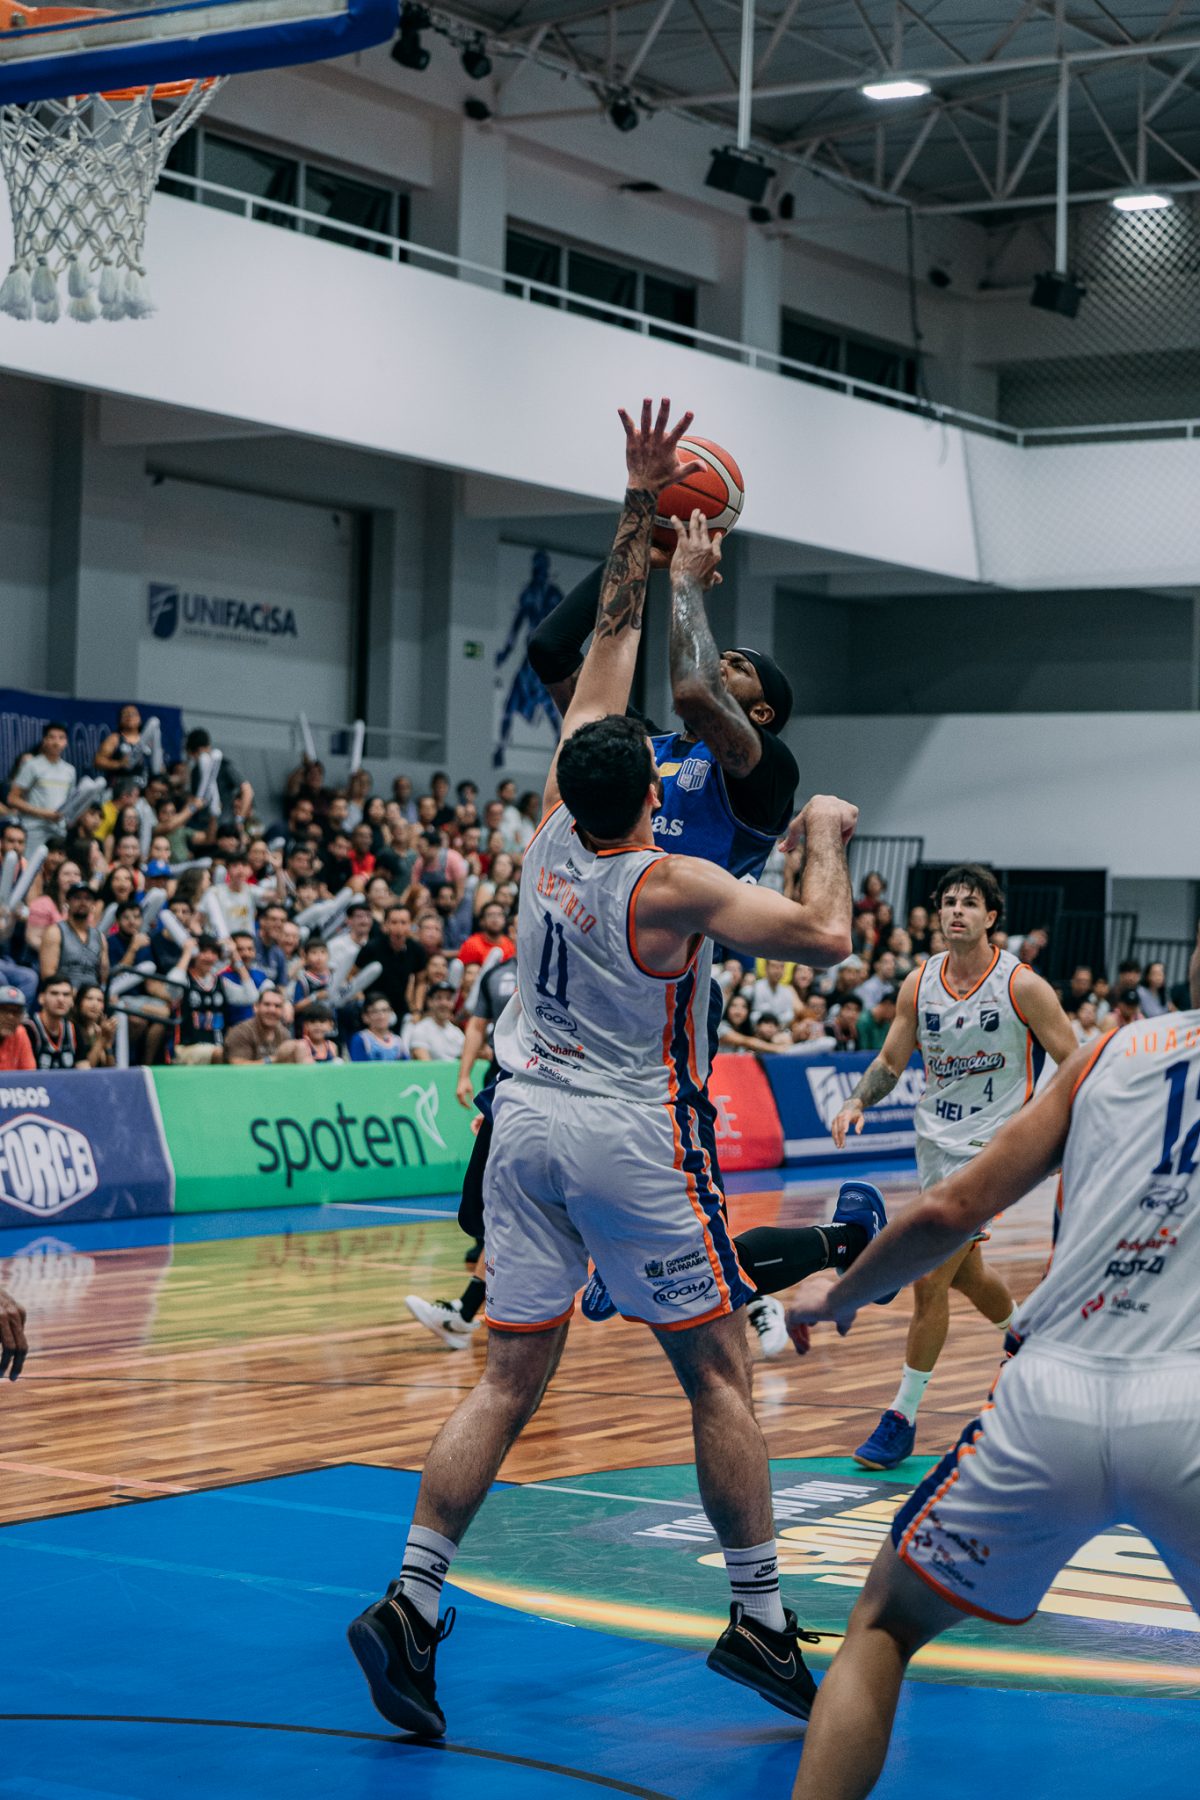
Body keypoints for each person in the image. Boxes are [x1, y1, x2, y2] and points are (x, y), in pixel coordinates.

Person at [346, 406, 857, 1739]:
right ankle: (759, 1618)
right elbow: (824, 935)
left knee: (507, 1379)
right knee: (718, 1373)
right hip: (632, 1123)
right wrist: (827, 836)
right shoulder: (671, 871)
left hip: (526, 1118)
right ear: (640, 783)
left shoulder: (575, 819)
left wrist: (640, 515)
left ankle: (410, 1599)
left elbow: (623, 671)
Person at [787, 936, 1200, 1800]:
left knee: (883, 1625)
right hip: (1189, 1402)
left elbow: (952, 1207)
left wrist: (840, 1295)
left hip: (1050, 1396)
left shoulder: (1106, 1054)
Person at [830, 865, 1078, 1470]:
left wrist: (1052, 1139)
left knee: (930, 1274)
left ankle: (901, 1417)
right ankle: (1029, 1340)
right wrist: (858, 1100)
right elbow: (892, 1059)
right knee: (966, 1274)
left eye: (969, 903)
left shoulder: (1022, 986)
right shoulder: (920, 983)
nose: (956, 911)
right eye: (948, 902)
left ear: (991, 917)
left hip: (994, 1151)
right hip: (935, 1144)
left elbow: (1075, 1063)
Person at [6, 722, 76, 854]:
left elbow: (70, 802)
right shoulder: (32, 765)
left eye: (61, 738)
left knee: (58, 865)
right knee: (31, 865)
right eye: (52, 737)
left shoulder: (70, 770)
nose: (56, 742)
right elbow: (12, 799)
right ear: (44, 740)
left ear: (66, 742)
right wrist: (44, 813)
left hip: (58, 830)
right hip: (34, 829)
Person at [356, 904, 428, 1025]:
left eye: (403, 922)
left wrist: (417, 1009)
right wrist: (360, 997)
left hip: (399, 1006)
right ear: (385, 925)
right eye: (394, 922)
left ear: (410, 925)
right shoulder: (371, 948)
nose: (399, 928)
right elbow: (352, 975)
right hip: (372, 1007)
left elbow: (421, 981)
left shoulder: (417, 950)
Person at [39, 883, 109, 990]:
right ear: (67, 902)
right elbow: (48, 975)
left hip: (92, 994)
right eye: (77, 898)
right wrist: (71, 994)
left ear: (93, 904)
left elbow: (104, 977)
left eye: (88, 898)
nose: (83, 902)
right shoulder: (55, 932)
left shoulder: (100, 937)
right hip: (63, 993)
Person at [224, 987, 309, 1065]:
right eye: (267, 1004)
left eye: (277, 1006)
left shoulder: (284, 1034)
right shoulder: (241, 1032)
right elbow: (238, 1067)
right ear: (256, 1007)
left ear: (282, 1010)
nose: (272, 1010)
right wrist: (272, 1060)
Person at [25, 974, 79, 1069]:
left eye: (66, 994)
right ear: (41, 998)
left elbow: (84, 1069)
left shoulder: (73, 1028)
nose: (61, 999)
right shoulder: (27, 1029)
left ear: (72, 1001)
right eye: (54, 993)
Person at [94, 704, 151, 789]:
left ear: (140, 719)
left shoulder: (148, 740)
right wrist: (119, 764)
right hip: (121, 788)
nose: (129, 716)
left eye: (133, 714)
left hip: (144, 789)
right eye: (125, 714)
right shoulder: (114, 739)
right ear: (120, 720)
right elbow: (98, 761)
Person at [408, 983, 465, 1062]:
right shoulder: (420, 1030)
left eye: (448, 999)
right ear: (430, 1002)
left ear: (453, 1003)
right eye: (439, 998)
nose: (444, 1003)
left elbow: (466, 1059)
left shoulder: (457, 1033)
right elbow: (425, 1064)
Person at [348, 992, 407, 1063]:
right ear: (365, 1016)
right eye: (375, 1011)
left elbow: (407, 1065)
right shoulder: (361, 1039)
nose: (381, 1016)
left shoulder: (397, 1041)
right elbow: (359, 1067)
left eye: (385, 1010)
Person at [73, 983, 117, 1068]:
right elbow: (86, 1070)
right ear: (79, 1002)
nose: (94, 1004)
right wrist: (101, 1039)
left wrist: (108, 1045)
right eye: (89, 998)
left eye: (99, 1000)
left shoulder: (101, 1029)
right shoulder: (71, 1028)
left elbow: (111, 1069)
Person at [0, 984, 34, 1071]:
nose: (10, 1017)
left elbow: (30, 1074)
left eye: (16, 1012)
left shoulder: (20, 1033)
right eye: (3, 1010)